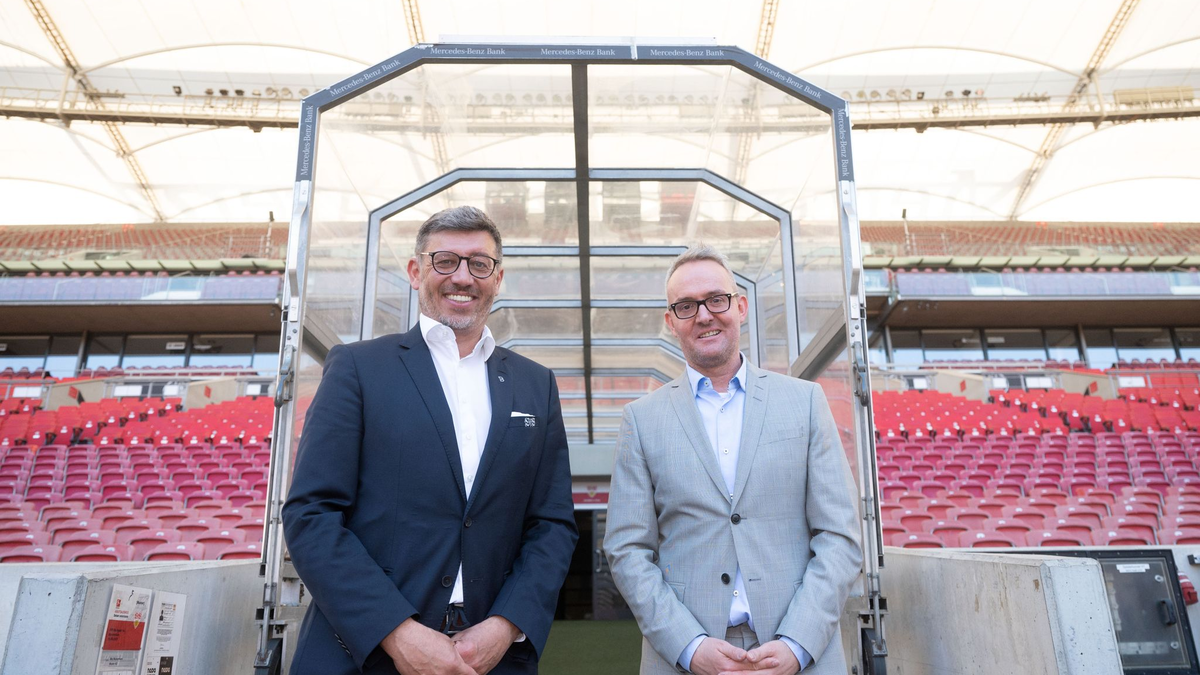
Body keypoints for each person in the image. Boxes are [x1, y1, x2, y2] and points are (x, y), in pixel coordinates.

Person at [283, 206, 578, 675]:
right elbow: (311, 513)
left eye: (479, 263)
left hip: (490, 658)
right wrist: (395, 631)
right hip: (364, 654)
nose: (462, 276)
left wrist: (506, 625)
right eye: (445, 261)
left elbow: (552, 524)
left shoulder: (535, 384)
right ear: (416, 271)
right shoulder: (358, 368)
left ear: (498, 278)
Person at [603, 244, 862, 675]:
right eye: (686, 306)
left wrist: (797, 642)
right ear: (671, 322)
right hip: (684, 659)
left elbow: (840, 535)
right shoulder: (641, 420)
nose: (704, 315)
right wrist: (689, 646)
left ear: (740, 307)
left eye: (716, 299)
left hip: (801, 656)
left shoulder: (804, 402)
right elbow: (627, 549)